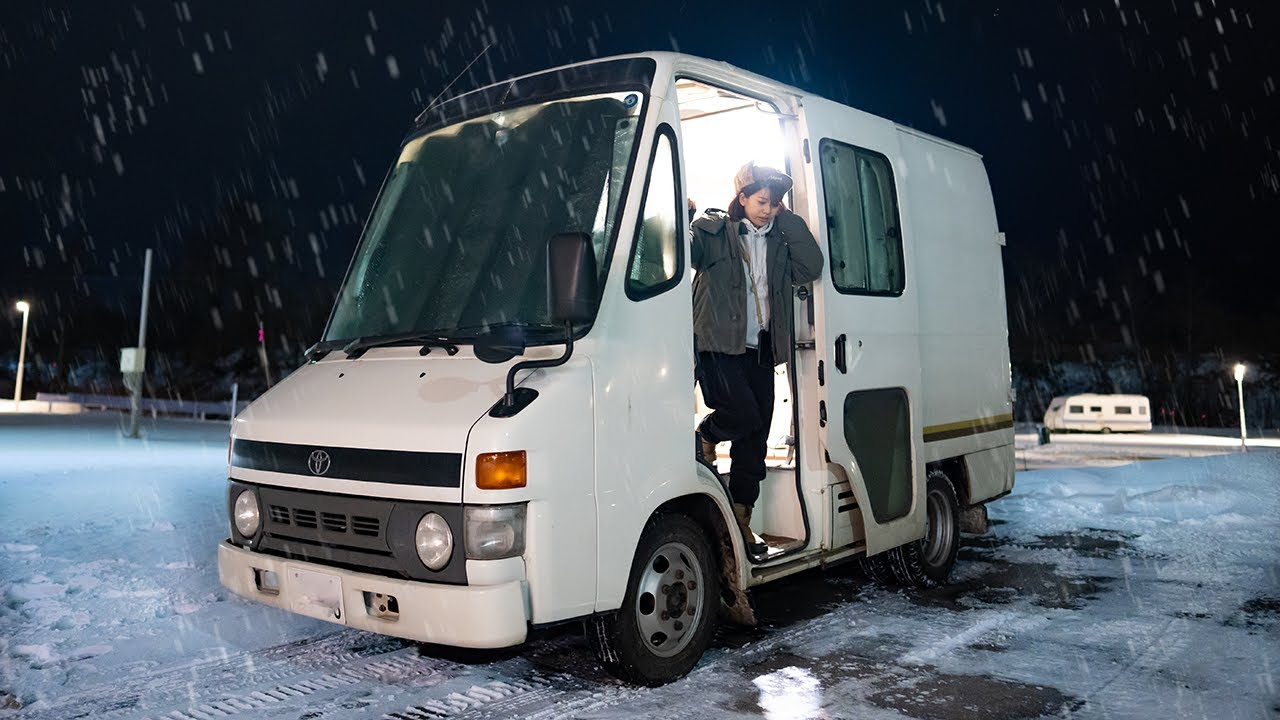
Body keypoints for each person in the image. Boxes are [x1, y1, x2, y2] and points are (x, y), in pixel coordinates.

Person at [691, 161, 823, 555]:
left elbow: (811, 267)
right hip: (718, 345)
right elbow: (683, 255)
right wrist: (682, 215)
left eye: (775, 203)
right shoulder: (713, 233)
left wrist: (790, 220)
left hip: (762, 350)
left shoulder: (780, 241)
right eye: (763, 201)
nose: (769, 209)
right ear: (742, 198)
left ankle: (742, 521)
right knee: (743, 415)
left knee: (755, 439)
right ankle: (704, 436)